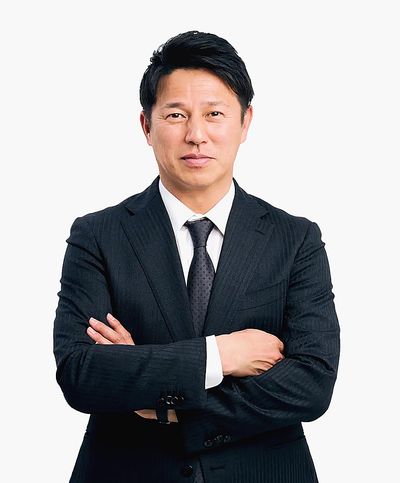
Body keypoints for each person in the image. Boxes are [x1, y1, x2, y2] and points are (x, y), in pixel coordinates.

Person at [53, 30, 340, 483]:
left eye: (214, 114)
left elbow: (312, 384)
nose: (196, 135)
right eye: (176, 114)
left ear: (245, 122)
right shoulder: (98, 235)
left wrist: (163, 403)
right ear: (146, 126)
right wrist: (219, 356)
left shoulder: (295, 239)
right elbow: (81, 372)